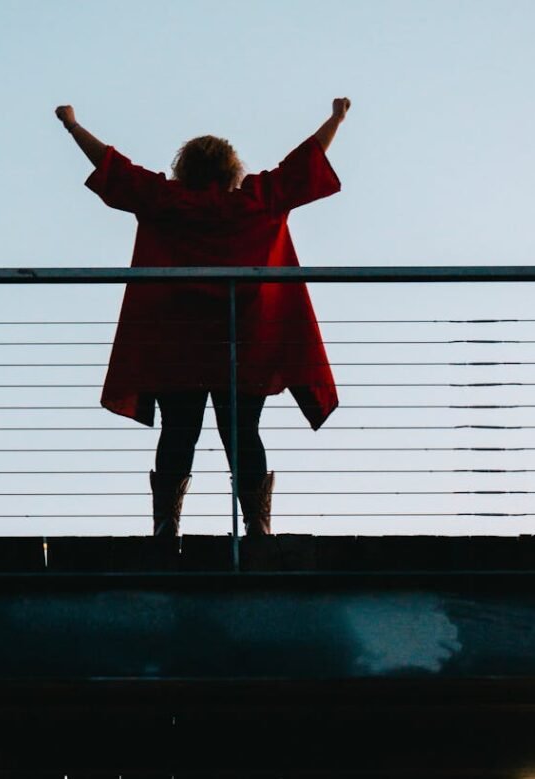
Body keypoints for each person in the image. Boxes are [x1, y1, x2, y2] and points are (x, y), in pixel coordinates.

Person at [55, 98, 351, 537]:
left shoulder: (164, 202)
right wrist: (336, 119)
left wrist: (72, 127)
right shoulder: (258, 201)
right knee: (242, 431)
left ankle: (165, 526)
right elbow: (305, 162)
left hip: (178, 345)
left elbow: (114, 168)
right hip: (247, 341)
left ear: (184, 168)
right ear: (231, 169)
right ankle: (257, 526)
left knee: (178, 430)